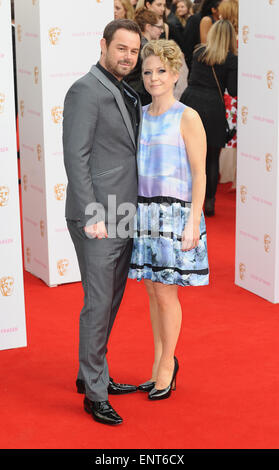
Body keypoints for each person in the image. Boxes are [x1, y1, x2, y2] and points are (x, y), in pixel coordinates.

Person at [63, 19, 142, 426]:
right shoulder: (84, 90)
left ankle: (91, 374)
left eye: (134, 50)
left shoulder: (125, 88)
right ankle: (95, 395)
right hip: (98, 216)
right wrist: (93, 215)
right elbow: (75, 158)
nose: (128, 57)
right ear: (104, 45)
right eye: (121, 49)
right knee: (97, 304)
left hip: (124, 212)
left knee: (110, 300)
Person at [128, 39, 209, 400]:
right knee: (151, 289)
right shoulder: (140, 114)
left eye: (161, 71)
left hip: (174, 214)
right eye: (147, 71)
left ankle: (167, 365)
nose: (153, 77)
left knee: (165, 293)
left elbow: (200, 173)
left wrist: (194, 220)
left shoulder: (186, 116)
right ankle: (159, 360)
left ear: (176, 74)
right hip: (144, 211)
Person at [180, 19, 238, 216]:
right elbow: (234, 89)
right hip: (213, 106)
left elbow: (190, 79)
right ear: (231, 38)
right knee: (212, 158)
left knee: (187, 154)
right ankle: (210, 202)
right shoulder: (230, 60)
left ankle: (184, 198)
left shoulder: (198, 52)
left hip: (191, 101)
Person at [125, 8, 164, 105]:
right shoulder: (145, 48)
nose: (162, 31)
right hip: (140, 95)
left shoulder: (138, 43)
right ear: (148, 27)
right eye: (159, 27)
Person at [181, 0, 220, 74]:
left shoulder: (221, 22)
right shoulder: (198, 20)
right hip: (198, 66)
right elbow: (188, 44)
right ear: (214, 9)